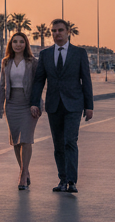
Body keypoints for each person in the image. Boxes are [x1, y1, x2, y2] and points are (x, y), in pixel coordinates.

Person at [30, 18, 94, 194]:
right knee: (58, 145)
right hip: (54, 105)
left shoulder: (79, 53)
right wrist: (34, 102)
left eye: (60, 30)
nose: (57, 33)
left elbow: (86, 79)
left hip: (74, 104)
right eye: (54, 31)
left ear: (68, 32)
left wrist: (89, 106)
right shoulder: (45, 54)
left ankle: (72, 181)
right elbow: (39, 80)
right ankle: (62, 179)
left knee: (70, 141)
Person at [0, 32, 39, 190]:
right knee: (16, 140)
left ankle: (22, 175)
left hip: (28, 104)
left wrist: (36, 103)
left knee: (26, 139)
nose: (18, 44)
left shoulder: (33, 62)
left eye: (21, 41)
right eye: (15, 41)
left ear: (26, 44)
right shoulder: (6, 62)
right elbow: (2, 85)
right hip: (11, 103)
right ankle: (25, 171)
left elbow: (38, 85)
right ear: (11, 44)